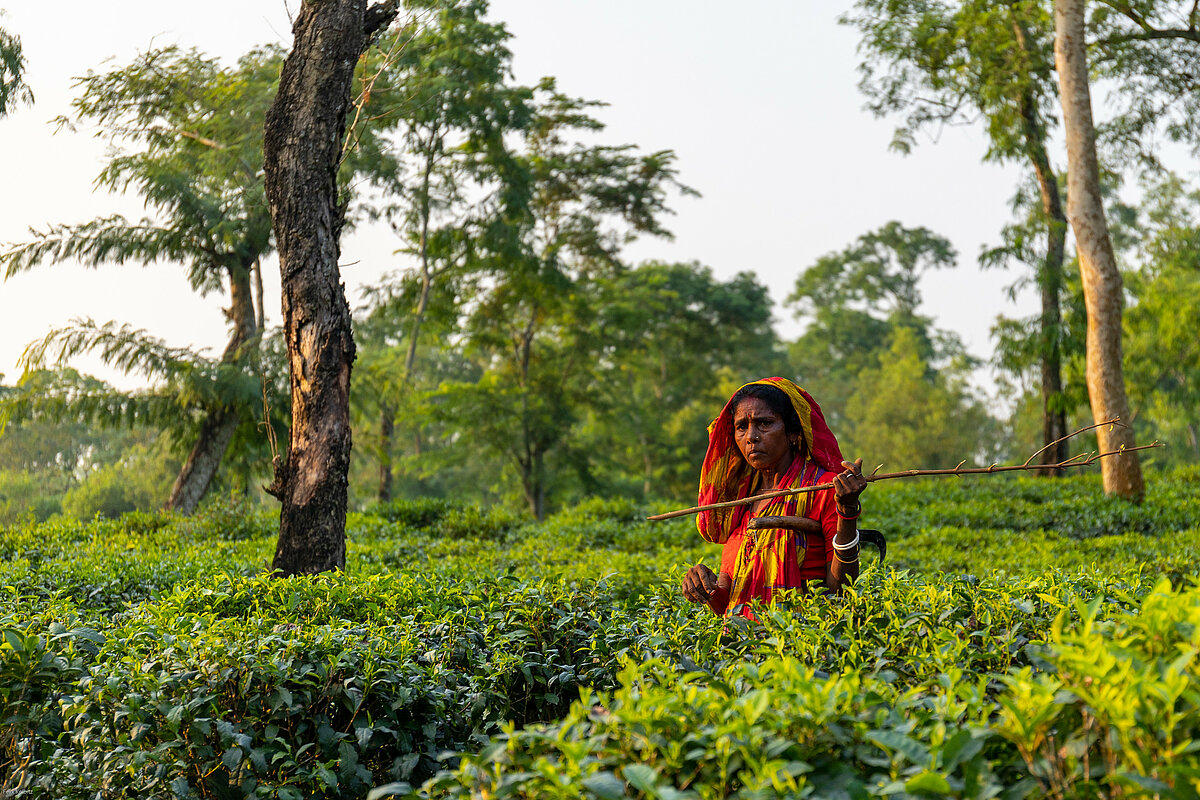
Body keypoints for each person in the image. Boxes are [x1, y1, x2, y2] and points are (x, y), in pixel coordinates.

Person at [680, 377, 866, 619]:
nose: (751, 437)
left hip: (804, 639)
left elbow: (840, 590)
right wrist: (704, 587)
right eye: (741, 427)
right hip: (743, 648)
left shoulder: (823, 488)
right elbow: (731, 605)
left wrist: (848, 512)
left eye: (765, 423)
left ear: (793, 434)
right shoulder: (738, 503)